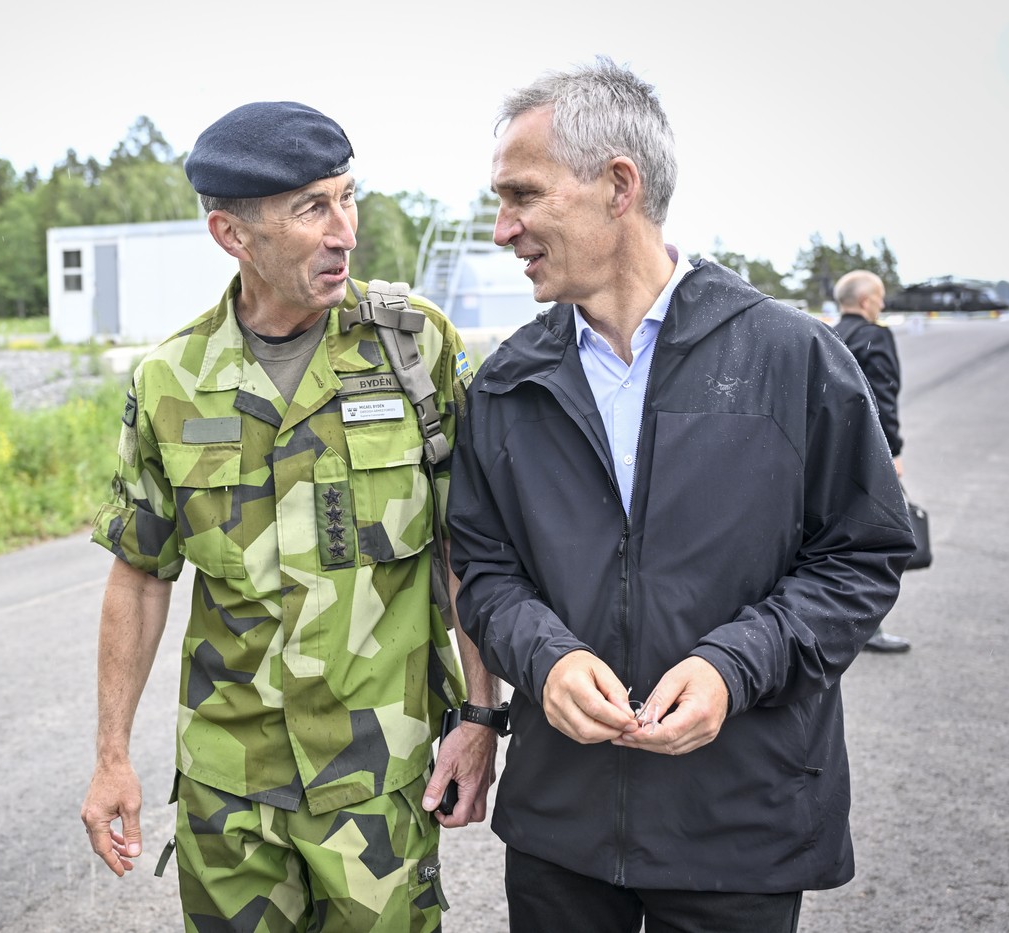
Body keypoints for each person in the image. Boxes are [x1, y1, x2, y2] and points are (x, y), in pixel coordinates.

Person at [446, 59, 915, 932]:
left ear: (619, 185)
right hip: (562, 837)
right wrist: (543, 656)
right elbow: (483, 568)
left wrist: (736, 665)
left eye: (523, 195)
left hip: (739, 831)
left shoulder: (794, 359)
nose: (503, 228)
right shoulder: (506, 384)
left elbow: (862, 557)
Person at [79, 100, 499, 932]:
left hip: (379, 780)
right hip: (228, 788)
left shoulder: (414, 348)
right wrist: (111, 757)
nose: (345, 231)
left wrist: (483, 717)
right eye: (313, 208)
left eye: (349, 197)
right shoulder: (171, 380)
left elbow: (466, 552)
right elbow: (139, 574)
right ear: (232, 236)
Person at [834, 269, 913, 653]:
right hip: (866, 456)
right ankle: (869, 629)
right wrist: (892, 451)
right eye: (879, 299)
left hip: (826, 458)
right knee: (872, 543)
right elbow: (883, 397)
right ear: (866, 302)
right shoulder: (875, 336)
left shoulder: (827, 334)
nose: (881, 306)